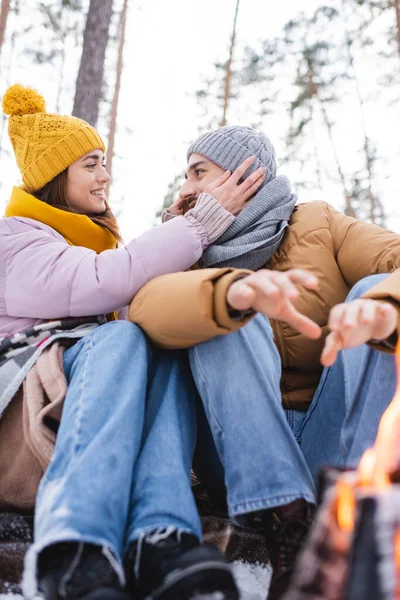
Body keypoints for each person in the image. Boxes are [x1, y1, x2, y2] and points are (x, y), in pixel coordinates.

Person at [0, 87, 269, 600]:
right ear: (56, 177)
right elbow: (105, 280)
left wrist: (173, 230)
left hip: (73, 409)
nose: (105, 176)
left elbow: (122, 291)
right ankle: (75, 541)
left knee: (156, 341)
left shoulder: (73, 244)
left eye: (103, 163)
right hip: (22, 430)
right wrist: (199, 223)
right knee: (123, 336)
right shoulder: (16, 239)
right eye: (91, 164)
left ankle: (161, 535)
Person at [128, 125, 400, 599]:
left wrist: (384, 309)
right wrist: (218, 277)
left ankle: (361, 510)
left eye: (199, 172)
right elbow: (143, 308)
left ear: (246, 175)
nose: (186, 187)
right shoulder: (180, 244)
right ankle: (287, 521)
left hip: (329, 438)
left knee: (371, 297)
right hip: (236, 453)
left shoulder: (317, 222)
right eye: (184, 176)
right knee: (223, 304)